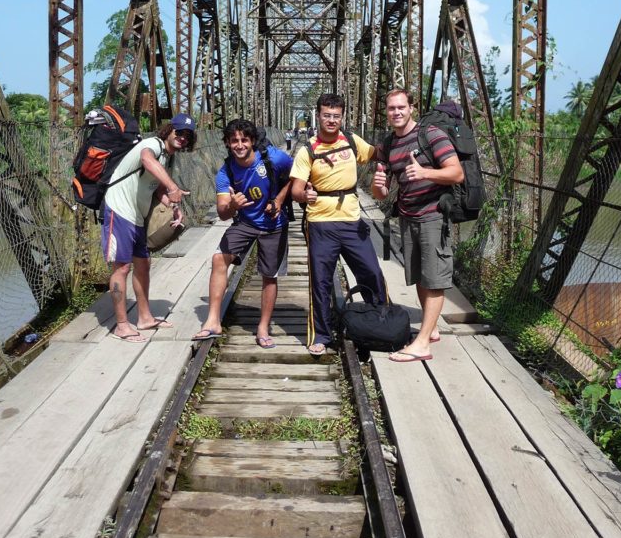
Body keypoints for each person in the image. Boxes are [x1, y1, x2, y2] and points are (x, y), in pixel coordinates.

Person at [290, 93, 386, 355]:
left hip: (352, 220)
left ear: (342, 117)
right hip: (320, 223)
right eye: (326, 115)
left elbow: (379, 152)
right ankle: (320, 335)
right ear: (318, 116)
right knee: (320, 281)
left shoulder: (353, 142)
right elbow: (296, 189)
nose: (331, 120)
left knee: (371, 272)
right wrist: (304, 195)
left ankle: (382, 321)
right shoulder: (307, 150)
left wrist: (407, 140)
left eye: (336, 116)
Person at [372, 89, 463, 362]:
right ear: (386, 112)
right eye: (391, 108)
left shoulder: (431, 135)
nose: (396, 112)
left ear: (411, 108)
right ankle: (430, 327)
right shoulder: (388, 144)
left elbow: (456, 173)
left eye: (401, 107)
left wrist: (425, 172)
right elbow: (380, 192)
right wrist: (378, 188)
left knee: (434, 278)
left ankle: (422, 343)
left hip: (433, 215)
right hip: (407, 215)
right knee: (419, 276)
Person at [193, 119, 293, 347]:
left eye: (244, 140)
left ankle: (263, 327)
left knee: (270, 275)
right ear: (227, 143)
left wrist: (278, 199)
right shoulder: (225, 172)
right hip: (245, 222)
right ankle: (212, 321)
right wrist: (233, 206)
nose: (239, 145)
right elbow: (222, 214)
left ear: (253, 141)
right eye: (234, 141)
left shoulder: (274, 158)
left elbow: (297, 174)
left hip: (273, 224)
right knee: (219, 259)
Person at [102, 113, 196, 342]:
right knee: (122, 267)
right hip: (119, 209)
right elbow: (146, 160)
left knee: (143, 264)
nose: (182, 138)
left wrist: (172, 204)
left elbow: (155, 187)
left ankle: (144, 317)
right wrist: (172, 185)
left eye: (187, 135)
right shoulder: (152, 145)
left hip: (138, 215)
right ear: (168, 130)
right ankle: (122, 325)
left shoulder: (167, 157)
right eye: (178, 132)